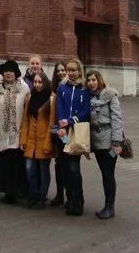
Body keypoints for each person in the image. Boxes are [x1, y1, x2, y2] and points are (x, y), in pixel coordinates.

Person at [55, 57, 91, 216]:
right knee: (63, 166)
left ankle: (78, 200)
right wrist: (61, 124)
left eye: (73, 70)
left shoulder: (84, 89)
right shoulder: (62, 87)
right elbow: (59, 106)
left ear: (79, 71)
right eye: (68, 70)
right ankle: (69, 199)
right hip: (63, 132)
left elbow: (85, 110)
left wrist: (70, 121)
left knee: (73, 168)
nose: (70, 73)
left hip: (76, 131)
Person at [86, 70, 124, 220]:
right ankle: (108, 205)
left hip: (109, 142)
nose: (91, 83)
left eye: (94, 80)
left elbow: (117, 119)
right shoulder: (89, 97)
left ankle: (110, 207)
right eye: (88, 80)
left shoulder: (110, 95)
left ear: (99, 80)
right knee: (104, 173)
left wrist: (117, 142)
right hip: (96, 141)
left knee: (108, 174)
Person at [0, 59, 28, 203]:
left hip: (17, 131)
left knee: (16, 162)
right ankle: (6, 191)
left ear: (16, 73)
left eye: (11, 71)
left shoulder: (24, 88)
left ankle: (16, 190)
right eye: (6, 71)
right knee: (4, 162)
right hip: (2, 131)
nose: (8, 73)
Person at [19, 71, 54, 209]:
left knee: (43, 170)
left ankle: (42, 196)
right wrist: (23, 140)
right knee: (29, 169)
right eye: (35, 82)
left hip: (43, 140)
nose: (37, 85)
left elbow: (52, 123)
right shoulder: (31, 97)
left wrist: (49, 143)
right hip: (31, 141)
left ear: (45, 83)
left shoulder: (51, 99)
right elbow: (26, 120)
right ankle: (33, 194)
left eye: (40, 82)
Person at [49, 60, 69, 207]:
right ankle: (59, 193)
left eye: (63, 70)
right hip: (56, 131)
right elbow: (52, 116)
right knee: (59, 163)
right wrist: (54, 133)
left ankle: (70, 195)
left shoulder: (71, 88)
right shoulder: (53, 89)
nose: (61, 73)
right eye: (58, 71)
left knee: (68, 164)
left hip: (69, 131)